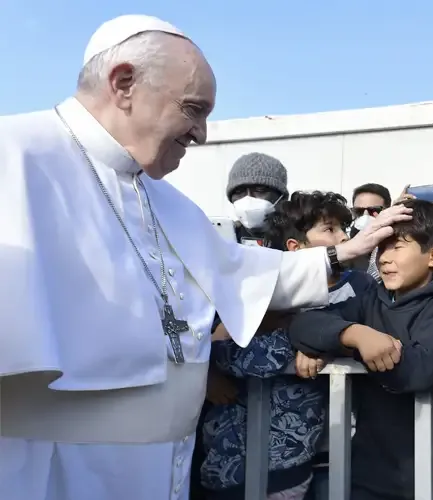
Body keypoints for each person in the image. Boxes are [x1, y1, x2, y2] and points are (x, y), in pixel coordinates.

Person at [0, 15, 409, 500]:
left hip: (163, 466)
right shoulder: (14, 154)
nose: (202, 134)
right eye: (193, 109)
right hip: (49, 468)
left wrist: (343, 253)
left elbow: (239, 273)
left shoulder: (165, 200)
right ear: (124, 83)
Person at [288, 199, 433, 500]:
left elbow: (421, 369)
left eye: (397, 247)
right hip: (368, 470)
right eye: (381, 248)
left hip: (426, 474)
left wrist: (348, 348)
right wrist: (352, 335)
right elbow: (303, 325)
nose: (384, 258)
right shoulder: (372, 298)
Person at [201, 191, 358, 500]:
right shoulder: (256, 291)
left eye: (343, 228)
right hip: (229, 461)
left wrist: (322, 342)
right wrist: (206, 372)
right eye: (330, 229)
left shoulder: (357, 290)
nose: (343, 237)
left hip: (304, 463)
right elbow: (214, 343)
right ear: (295, 248)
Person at [226, 152, 291, 245]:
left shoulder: (301, 238)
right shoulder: (223, 239)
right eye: (239, 191)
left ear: (281, 197)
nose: (248, 198)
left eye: (260, 190)